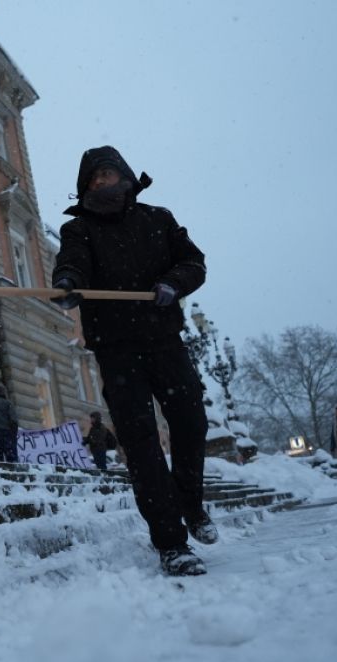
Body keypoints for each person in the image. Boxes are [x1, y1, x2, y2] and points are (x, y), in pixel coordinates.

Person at [51, 145, 217, 577]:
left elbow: (194, 263)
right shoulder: (80, 229)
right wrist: (68, 283)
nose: (103, 184)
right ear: (85, 188)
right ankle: (171, 543)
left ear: (125, 177)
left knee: (191, 423)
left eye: (109, 175)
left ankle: (192, 504)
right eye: (95, 180)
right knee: (141, 444)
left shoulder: (157, 219)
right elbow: (72, 264)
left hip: (164, 340)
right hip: (116, 349)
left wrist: (172, 284)